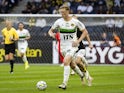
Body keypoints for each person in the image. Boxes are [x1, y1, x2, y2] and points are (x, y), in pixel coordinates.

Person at [48, 5, 88, 89]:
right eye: (60, 12)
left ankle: (64, 84)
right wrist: (52, 34)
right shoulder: (58, 21)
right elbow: (50, 31)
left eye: (63, 12)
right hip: (63, 47)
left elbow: (85, 32)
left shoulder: (75, 21)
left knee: (66, 61)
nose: (62, 14)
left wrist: (78, 41)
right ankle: (82, 75)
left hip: (72, 46)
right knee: (72, 65)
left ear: (68, 11)